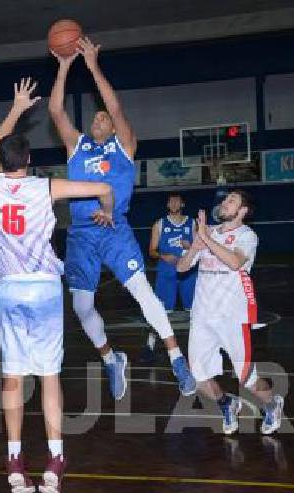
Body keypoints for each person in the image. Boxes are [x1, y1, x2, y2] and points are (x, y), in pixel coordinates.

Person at [0, 77, 115, 493]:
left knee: (12, 379)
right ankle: (55, 459)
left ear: (2, 160)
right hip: (42, 290)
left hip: (9, 291)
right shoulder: (45, 187)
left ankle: (14, 459)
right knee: (49, 376)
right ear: (28, 158)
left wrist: (16, 107)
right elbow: (103, 188)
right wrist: (107, 212)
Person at [48, 36, 195, 400]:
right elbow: (55, 111)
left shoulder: (125, 145)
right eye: (95, 116)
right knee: (81, 306)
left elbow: (114, 106)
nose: (99, 117)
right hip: (81, 234)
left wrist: (94, 67)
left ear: (114, 127)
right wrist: (65, 67)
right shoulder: (77, 146)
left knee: (143, 293)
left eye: (104, 117)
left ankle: (177, 357)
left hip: (115, 229)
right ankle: (112, 358)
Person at [176, 190, 284, 435]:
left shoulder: (247, 236)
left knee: (247, 378)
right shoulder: (208, 233)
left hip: (233, 318)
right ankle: (227, 404)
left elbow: (235, 262)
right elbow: (182, 267)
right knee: (198, 376)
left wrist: (206, 238)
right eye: (225, 200)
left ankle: (271, 404)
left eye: (232, 201)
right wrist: (195, 245)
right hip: (202, 317)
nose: (225, 203)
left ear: (243, 211)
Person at [141, 193, 198, 361]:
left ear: (182, 204)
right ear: (167, 205)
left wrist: (191, 246)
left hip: (188, 272)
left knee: (195, 311)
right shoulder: (159, 224)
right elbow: (151, 250)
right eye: (171, 201)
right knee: (160, 312)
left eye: (177, 201)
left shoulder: (192, 223)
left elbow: (200, 248)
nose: (173, 203)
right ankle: (149, 346)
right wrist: (163, 256)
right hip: (166, 272)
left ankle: (201, 347)